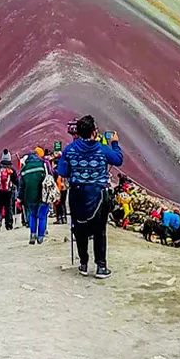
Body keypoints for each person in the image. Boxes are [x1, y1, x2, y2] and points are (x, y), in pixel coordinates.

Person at [57, 115, 123, 278]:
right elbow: (118, 159)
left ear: (78, 132)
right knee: (99, 231)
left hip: (77, 194)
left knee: (79, 230)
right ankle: (101, 266)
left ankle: (83, 264)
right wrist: (114, 143)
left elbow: (62, 171)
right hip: (98, 195)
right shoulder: (102, 148)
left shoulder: (69, 149)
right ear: (94, 132)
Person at [19, 146, 51, 244]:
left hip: (29, 196)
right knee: (42, 215)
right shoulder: (42, 164)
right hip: (43, 194)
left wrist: (20, 198)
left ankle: (33, 234)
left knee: (32, 215)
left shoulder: (24, 169)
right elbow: (49, 178)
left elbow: (21, 185)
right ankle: (40, 236)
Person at [0, 151, 18, 232]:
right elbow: (16, 180)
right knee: (8, 208)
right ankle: (9, 224)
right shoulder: (11, 169)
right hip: (8, 192)